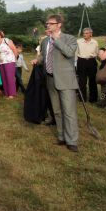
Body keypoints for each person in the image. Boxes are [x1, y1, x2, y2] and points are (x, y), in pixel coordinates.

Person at [33, 14, 79, 152]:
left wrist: (56, 39)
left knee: (69, 111)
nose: (48, 25)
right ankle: (61, 136)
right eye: (47, 23)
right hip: (50, 79)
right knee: (57, 111)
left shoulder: (69, 38)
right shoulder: (45, 41)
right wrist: (38, 60)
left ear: (59, 25)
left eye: (51, 23)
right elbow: (44, 56)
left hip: (65, 80)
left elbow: (69, 53)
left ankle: (72, 140)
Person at [76, 28, 99, 103]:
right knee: (82, 81)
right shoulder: (78, 41)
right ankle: (82, 98)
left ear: (90, 34)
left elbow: (97, 52)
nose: (84, 34)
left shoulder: (95, 42)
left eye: (86, 33)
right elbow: (75, 53)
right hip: (81, 61)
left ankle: (93, 99)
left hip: (91, 61)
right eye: (83, 33)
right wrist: (75, 63)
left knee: (92, 80)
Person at [0, 30, 19, 99]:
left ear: (0, 35)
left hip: (9, 61)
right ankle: (6, 92)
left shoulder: (6, 40)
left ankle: (11, 94)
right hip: (0, 63)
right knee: (3, 78)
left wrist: (15, 59)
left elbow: (14, 49)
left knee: (10, 77)